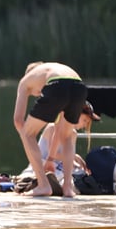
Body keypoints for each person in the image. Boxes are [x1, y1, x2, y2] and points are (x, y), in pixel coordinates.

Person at [13, 61, 89, 198]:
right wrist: (50, 158)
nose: (37, 95)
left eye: (37, 94)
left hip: (58, 86)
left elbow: (18, 121)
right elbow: (59, 129)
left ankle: (43, 185)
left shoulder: (25, 81)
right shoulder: (52, 70)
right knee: (67, 137)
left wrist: (26, 138)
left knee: (27, 133)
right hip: (79, 87)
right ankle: (67, 188)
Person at [15, 102, 98, 194]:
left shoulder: (73, 134)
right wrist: (72, 159)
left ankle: (58, 186)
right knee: (53, 176)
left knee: (79, 175)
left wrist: (74, 158)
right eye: (85, 120)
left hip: (58, 168)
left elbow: (66, 155)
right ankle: (49, 184)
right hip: (45, 164)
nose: (85, 125)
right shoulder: (52, 128)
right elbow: (54, 154)